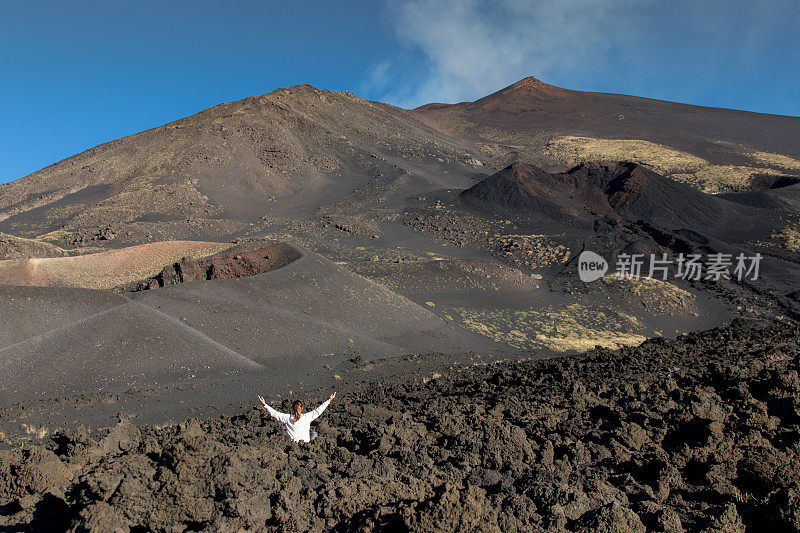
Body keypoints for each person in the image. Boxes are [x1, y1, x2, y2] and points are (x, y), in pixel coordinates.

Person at [258, 392, 336, 442]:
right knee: (314, 433)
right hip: (305, 443)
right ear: (302, 408)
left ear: (292, 408)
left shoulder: (287, 418)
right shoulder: (307, 417)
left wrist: (265, 404)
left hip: (292, 443)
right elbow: (318, 411)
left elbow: (275, 414)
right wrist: (329, 400)